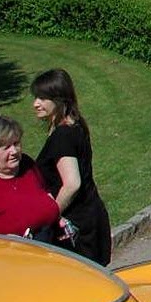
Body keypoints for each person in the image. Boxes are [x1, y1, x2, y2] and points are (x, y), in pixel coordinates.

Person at [30, 69, 112, 264]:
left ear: (59, 100)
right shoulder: (75, 125)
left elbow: (72, 183)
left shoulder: (63, 136)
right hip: (90, 216)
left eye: (42, 98)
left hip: (77, 229)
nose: (36, 104)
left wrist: (50, 214)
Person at [0, 115, 60, 239]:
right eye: (6, 147)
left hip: (49, 243)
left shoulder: (27, 164)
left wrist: (57, 217)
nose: (14, 151)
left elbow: (44, 193)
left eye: (16, 143)